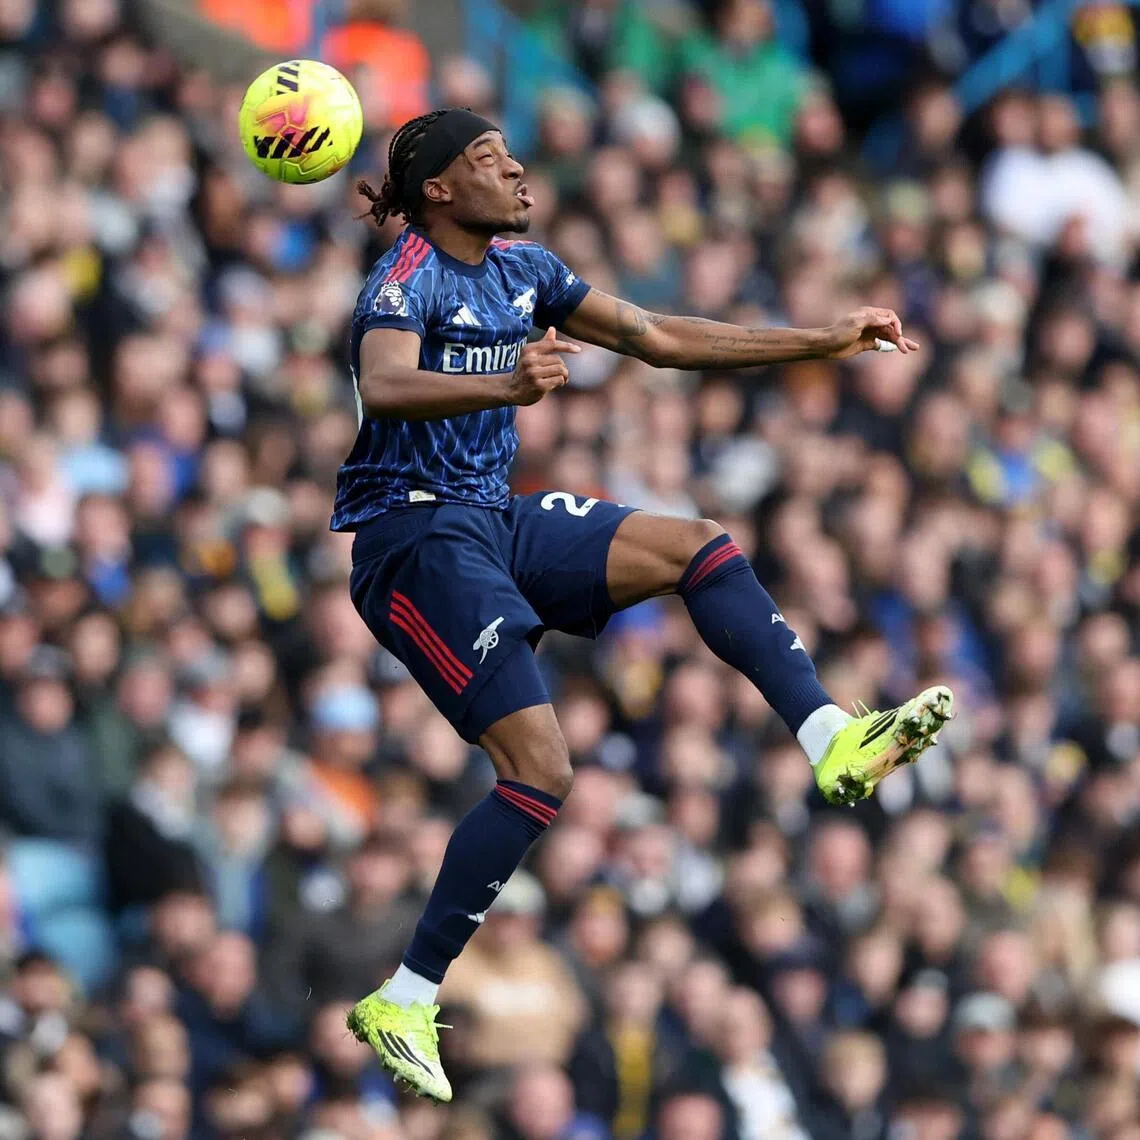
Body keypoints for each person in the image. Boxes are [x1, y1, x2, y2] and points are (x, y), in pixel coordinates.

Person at [340, 106, 954, 1100]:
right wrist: (504, 383)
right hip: (412, 541)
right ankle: (406, 995)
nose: (520, 165)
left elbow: (659, 336)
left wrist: (825, 339)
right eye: (490, 159)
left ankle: (832, 737)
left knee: (698, 544)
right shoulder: (405, 279)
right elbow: (384, 384)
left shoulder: (527, 269)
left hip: (489, 521)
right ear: (442, 190)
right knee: (542, 769)